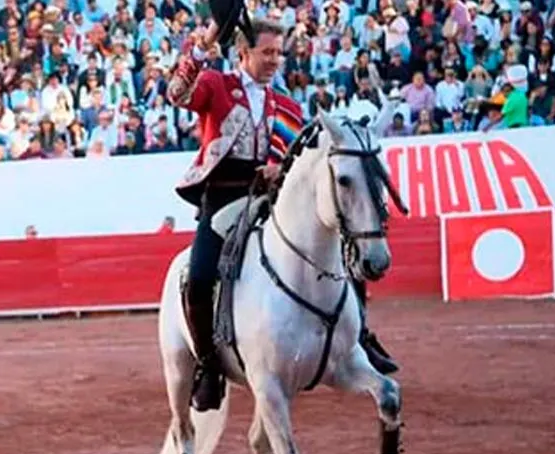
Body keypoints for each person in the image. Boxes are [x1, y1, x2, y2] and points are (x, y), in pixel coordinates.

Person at [167, 16, 398, 413]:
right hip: (222, 201)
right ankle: (208, 366)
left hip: (271, 201)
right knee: (201, 273)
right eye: (267, 52)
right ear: (244, 53)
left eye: (279, 52)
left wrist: (281, 171)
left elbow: (298, 163)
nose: (275, 60)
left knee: (341, 252)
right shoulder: (217, 85)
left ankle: (359, 336)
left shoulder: (288, 105)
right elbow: (177, 93)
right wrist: (205, 42)